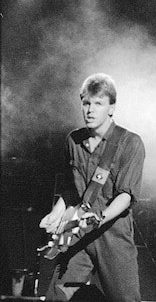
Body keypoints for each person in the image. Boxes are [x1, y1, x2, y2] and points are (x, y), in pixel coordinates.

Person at [39, 73, 145, 302]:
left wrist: (99, 217)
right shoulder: (73, 141)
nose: (90, 110)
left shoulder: (130, 142)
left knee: (125, 299)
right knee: (58, 296)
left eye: (98, 103)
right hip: (79, 232)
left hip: (113, 235)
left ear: (111, 108)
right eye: (86, 103)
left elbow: (126, 195)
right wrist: (56, 212)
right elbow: (71, 188)